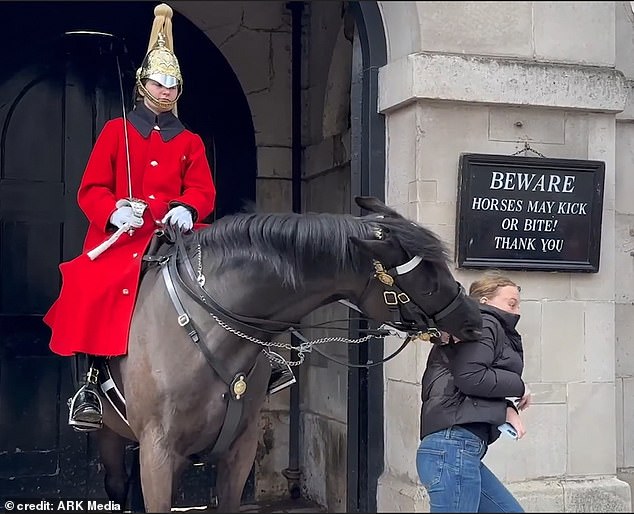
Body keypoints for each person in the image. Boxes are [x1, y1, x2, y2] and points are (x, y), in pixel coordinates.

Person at [44, 3, 294, 432]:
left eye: (173, 82)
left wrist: (187, 207)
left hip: (179, 233)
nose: (166, 88)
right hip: (125, 235)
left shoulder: (190, 140)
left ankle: (267, 358)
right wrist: (114, 209)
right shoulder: (116, 132)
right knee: (93, 284)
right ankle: (90, 381)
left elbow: (203, 189)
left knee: (240, 270)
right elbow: (92, 191)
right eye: (160, 81)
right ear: (143, 84)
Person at [416, 270, 531, 512]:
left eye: (518, 304)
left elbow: (467, 383)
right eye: (511, 303)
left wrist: (505, 408)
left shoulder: (479, 325)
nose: (517, 311)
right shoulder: (485, 320)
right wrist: (520, 388)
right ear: (484, 301)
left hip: (456, 450)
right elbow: (471, 377)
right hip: (453, 448)